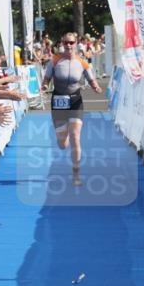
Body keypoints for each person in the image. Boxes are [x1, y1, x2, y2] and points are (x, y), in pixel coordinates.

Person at [42, 33, 103, 185]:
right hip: (58, 101)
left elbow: (91, 79)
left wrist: (95, 87)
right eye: (66, 43)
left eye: (71, 42)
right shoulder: (55, 61)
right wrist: (44, 85)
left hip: (75, 100)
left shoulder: (82, 62)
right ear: (62, 43)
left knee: (75, 136)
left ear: (76, 43)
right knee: (63, 144)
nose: (69, 45)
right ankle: (64, 136)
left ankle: (76, 175)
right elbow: (47, 78)